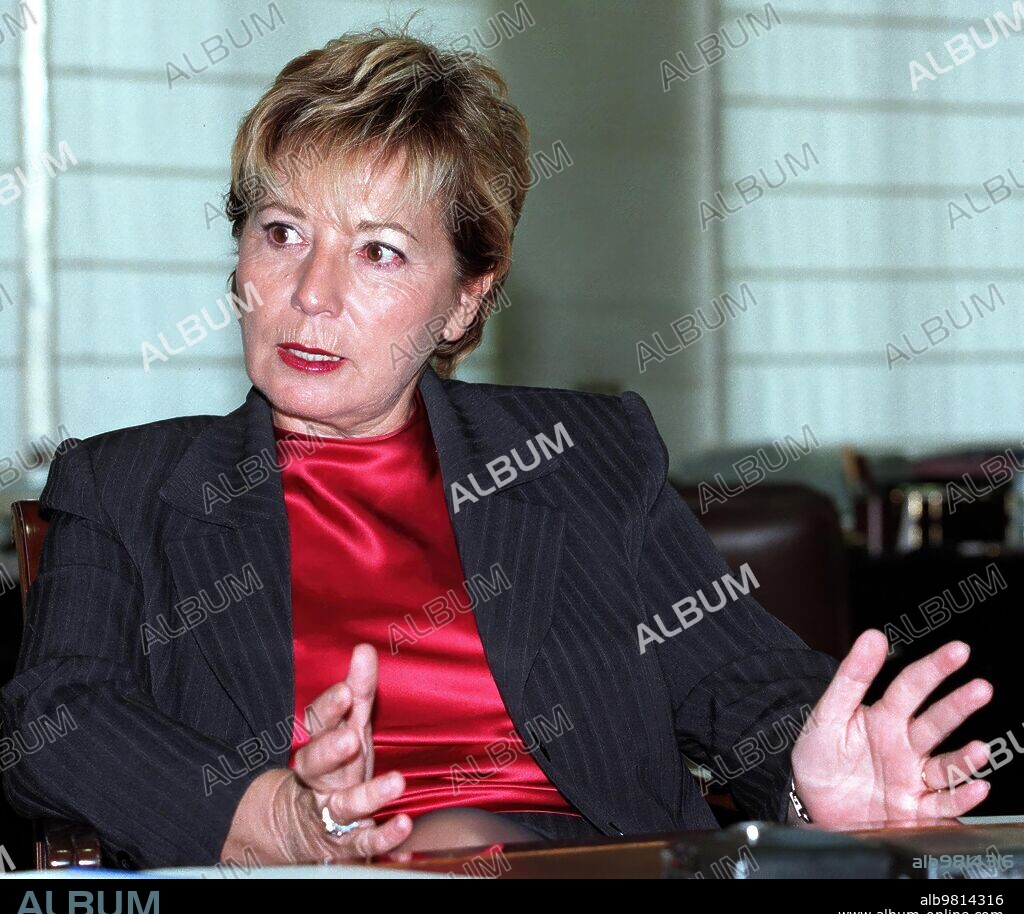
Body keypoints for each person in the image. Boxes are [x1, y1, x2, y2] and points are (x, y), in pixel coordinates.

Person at [0, 25, 994, 869]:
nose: (311, 292)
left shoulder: (582, 454)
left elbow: (737, 682)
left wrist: (815, 780)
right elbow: (52, 716)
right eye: (283, 231)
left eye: (379, 250)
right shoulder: (128, 483)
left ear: (463, 300)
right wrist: (270, 818)